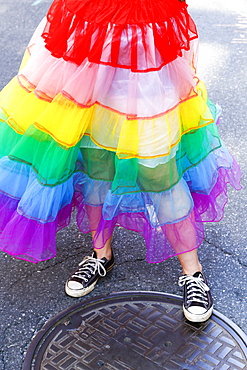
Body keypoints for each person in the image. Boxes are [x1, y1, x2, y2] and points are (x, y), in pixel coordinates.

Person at [0, 0, 241, 323]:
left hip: (148, 43)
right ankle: (102, 254)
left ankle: (192, 272)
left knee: (158, 170)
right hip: (87, 36)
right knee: (96, 163)